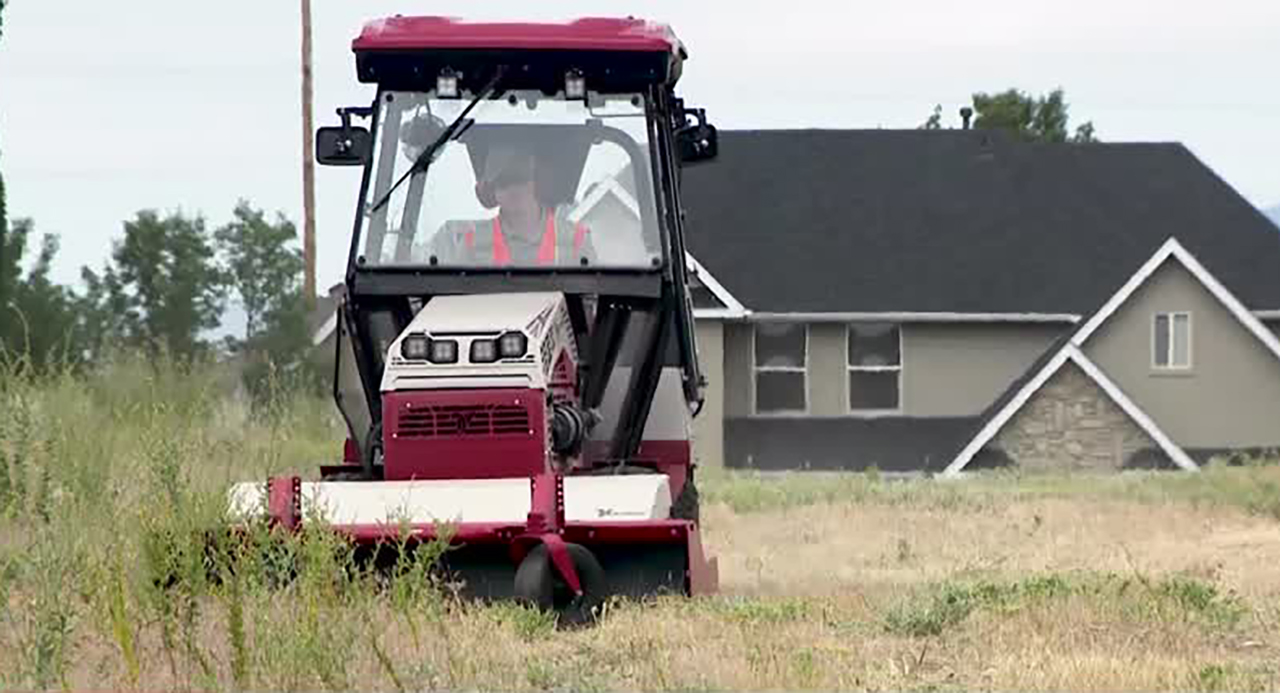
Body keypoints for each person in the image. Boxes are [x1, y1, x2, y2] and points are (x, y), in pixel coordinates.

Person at [429, 145, 596, 266]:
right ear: (491, 192)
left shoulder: (577, 239)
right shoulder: (472, 243)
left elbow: (592, 302)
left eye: (520, 178)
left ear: (537, 182)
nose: (513, 189)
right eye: (503, 182)